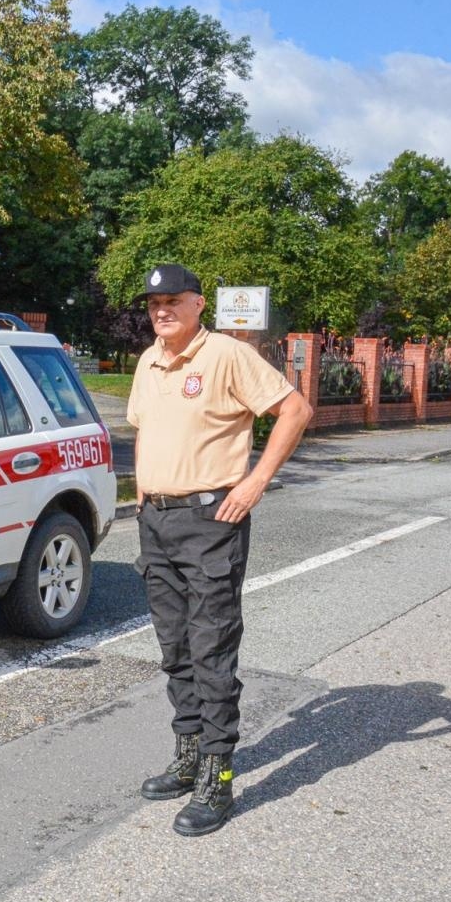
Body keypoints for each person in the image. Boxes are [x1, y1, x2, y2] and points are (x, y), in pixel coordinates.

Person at [125, 264, 313, 837]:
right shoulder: (148, 360)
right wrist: (142, 494)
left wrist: (255, 481)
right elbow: (144, 429)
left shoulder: (226, 355)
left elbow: (295, 410)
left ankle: (218, 774)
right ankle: (187, 755)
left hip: (211, 521)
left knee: (211, 648)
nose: (162, 311)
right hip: (156, 521)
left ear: (199, 304)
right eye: (154, 303)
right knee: (174, 646)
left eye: (174, 301)